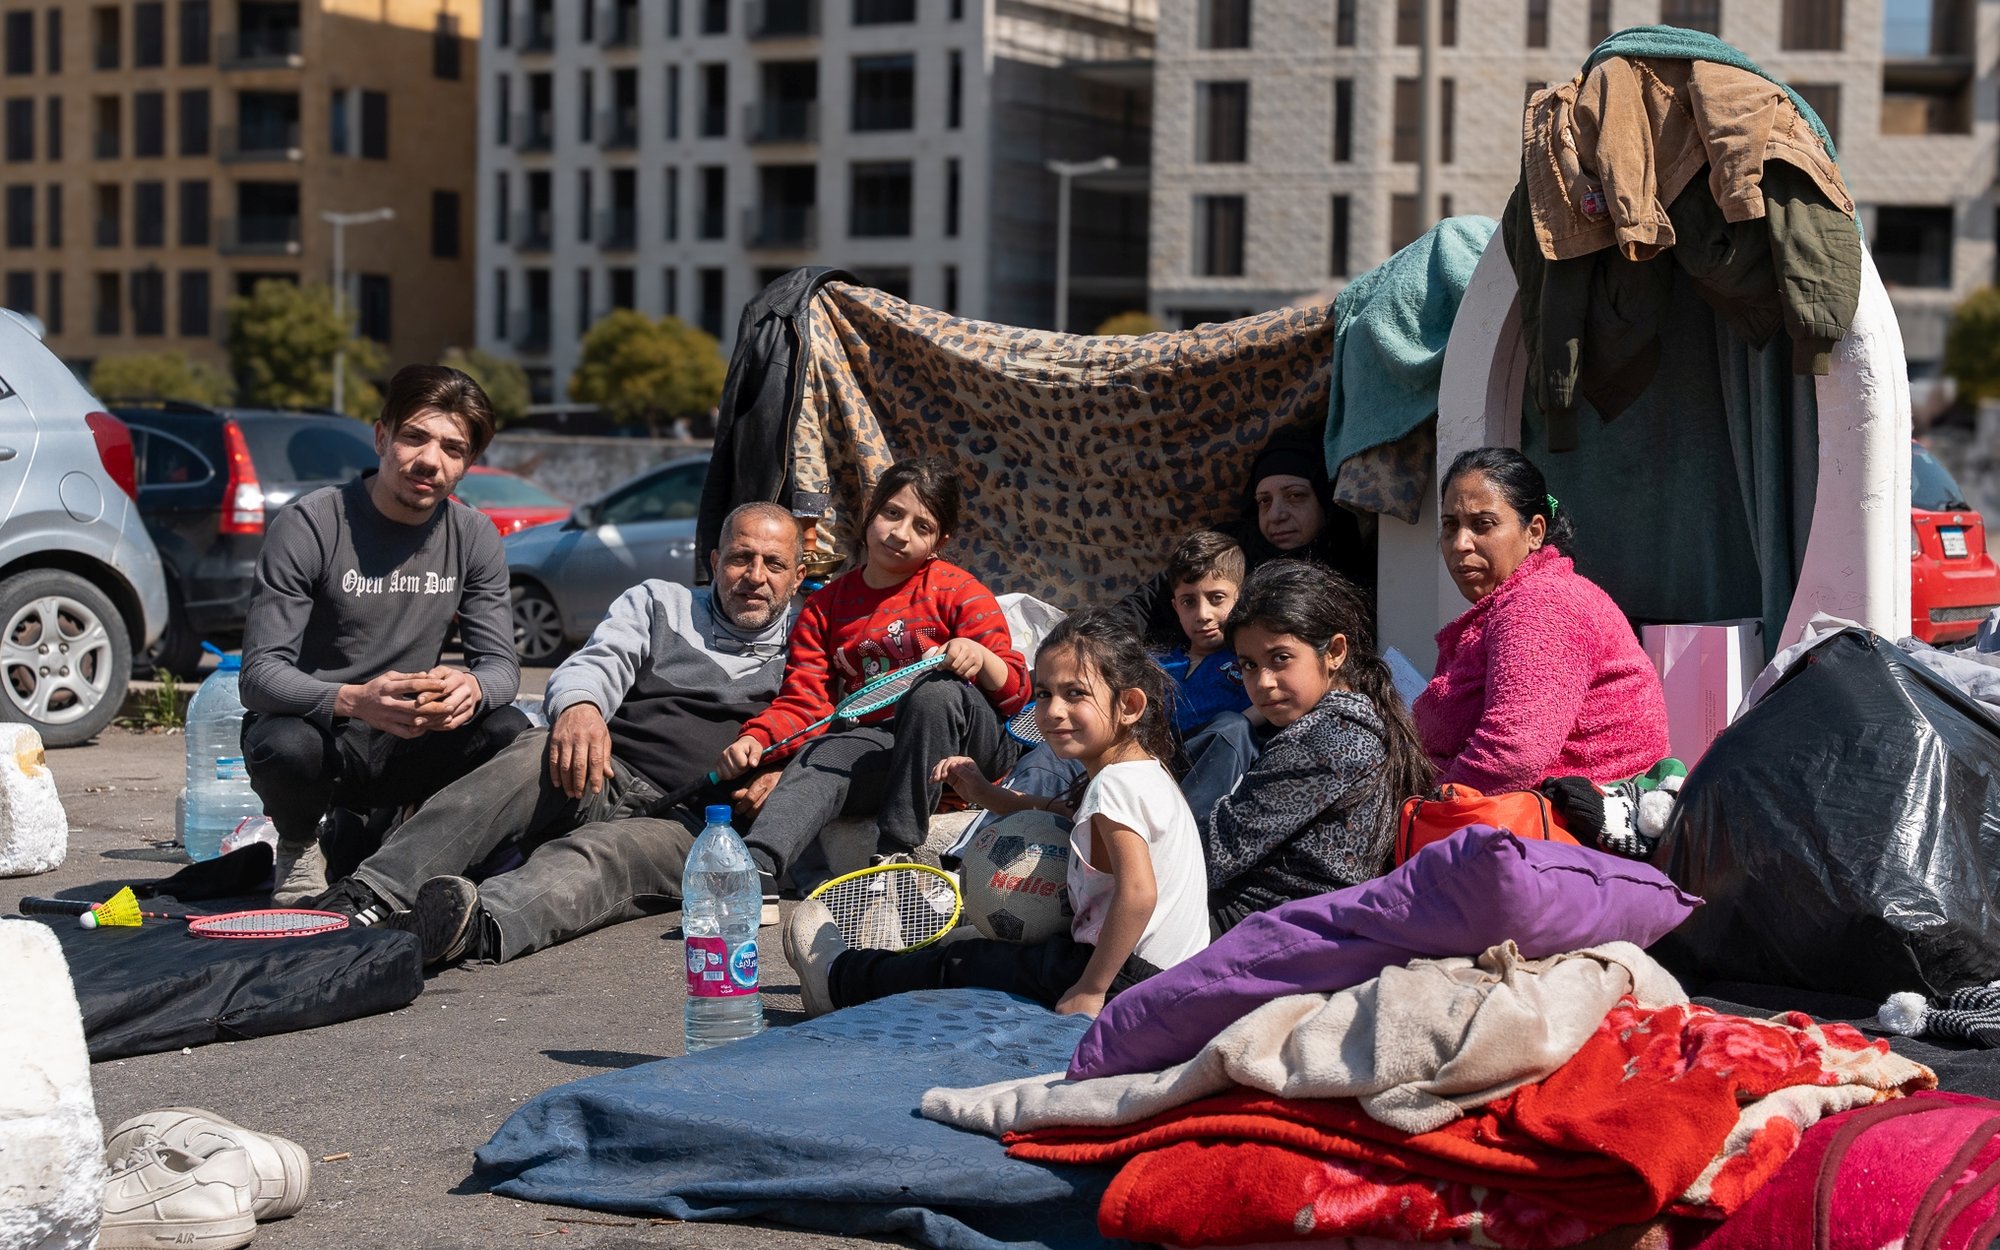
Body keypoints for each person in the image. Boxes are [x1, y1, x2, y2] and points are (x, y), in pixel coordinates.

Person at [308, 503, 805, 965]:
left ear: (798, 577)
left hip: (696, 822)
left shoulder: (812, 642)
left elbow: (836, 732)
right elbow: (595, 663)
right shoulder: (659, 601)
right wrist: (582, 709)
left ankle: (467, 927)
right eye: (741, 558)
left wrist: (786, 773)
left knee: (607, 855)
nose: (755, 577)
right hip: (603, 770)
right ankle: (371, 893)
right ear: (716, 561)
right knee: (533, 753)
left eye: (773, 564)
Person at [783, 609, 1210, 1018]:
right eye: (1044, 694)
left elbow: (1138, 894)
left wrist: (1090, 989)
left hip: (1124, 981)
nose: (1054, 710)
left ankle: (839, 982)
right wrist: (987, 794)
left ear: (1130, 706)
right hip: (1172, 982)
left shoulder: (1115, 785)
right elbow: (1058, 811)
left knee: (962, 959)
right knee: (979, 944)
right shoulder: (1144, 774)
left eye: (1075, 693)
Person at [238, 364, 528, 905]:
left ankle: (427, 840)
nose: (430, 461)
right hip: (327, 741)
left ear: (467, 462)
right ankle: (299, 847)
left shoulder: (473, 535)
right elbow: (258, 677)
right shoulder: (312, 524)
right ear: (381, 436)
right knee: (283, 744)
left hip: (411, 739)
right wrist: (353, 699)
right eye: (414, 437)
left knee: (509, 727)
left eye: (452, 448)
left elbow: (501, 667)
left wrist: (473, 688)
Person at [713, 457, 1030, 883]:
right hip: (887, 752)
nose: (900, 534)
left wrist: (982, 658)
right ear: (870, 513)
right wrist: (760, 738)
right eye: (892, 514)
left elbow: (1018, 697)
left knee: (933, 692)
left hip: (972, 749)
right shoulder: (826, 607)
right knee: (819, 756)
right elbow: (806, 702)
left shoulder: (958, 591)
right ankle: (756, 871)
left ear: (940, 541)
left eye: (922, 526)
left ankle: (896, 854)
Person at [935, 529, 1253, 823]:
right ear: (1174, 606)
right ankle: (986, 840)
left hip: (1181, 780)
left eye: (1217, 599)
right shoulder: (1156, 662)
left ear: (1240, 598)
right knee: (1060, 748)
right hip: (1120, 769)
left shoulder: (1248, 664)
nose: (1203, 614)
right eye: (1189, 602)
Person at [1414, 447, 1670, 793]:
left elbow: (1513, 754)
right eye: (1450, 526)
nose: (1460, 543)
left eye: (1481, 525)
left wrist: (1424, 806)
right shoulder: (1510, 604)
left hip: (1561, 834)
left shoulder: (1543, 603)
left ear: (1534, 532)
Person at [1204, 559, 1434, 933]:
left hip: (1268, 929)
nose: (1263, 682)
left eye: (1280, 658)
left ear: (1335, 651)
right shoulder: (1355, 720)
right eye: (1248, 664)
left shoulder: (1329, 737)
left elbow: (1213, 855)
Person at [1113, 434, 1370, 645]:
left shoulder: (1353, 567)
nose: (1276, 515)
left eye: (1295, 496)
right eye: (1264, 502)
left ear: (1324, 500)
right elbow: (1144, 607)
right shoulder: (1231, 549)